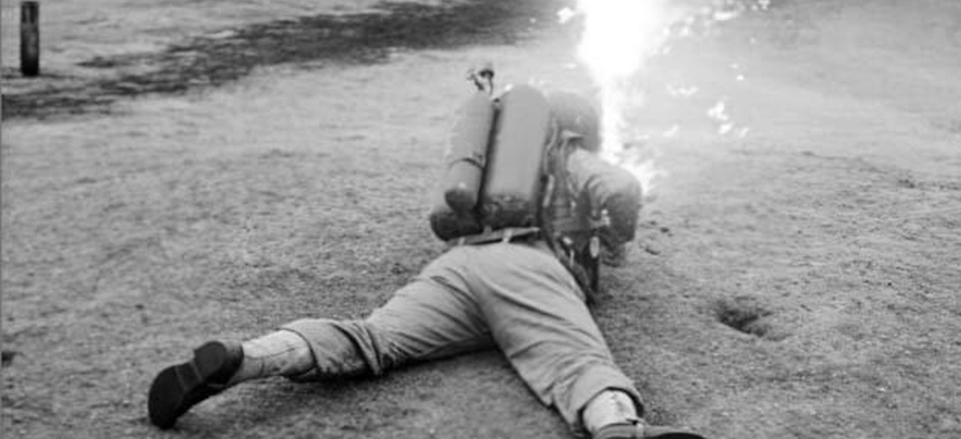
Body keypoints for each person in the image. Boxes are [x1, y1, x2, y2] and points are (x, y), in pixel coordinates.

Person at [147, 86, 706, 439]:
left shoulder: (491, 174)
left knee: (371, 339)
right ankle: (619, 430)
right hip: (531, 268)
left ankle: (245, 359)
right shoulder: (569, 152)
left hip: (460, 267)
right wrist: (616, 243)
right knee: (578, 360)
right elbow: (622, 188)